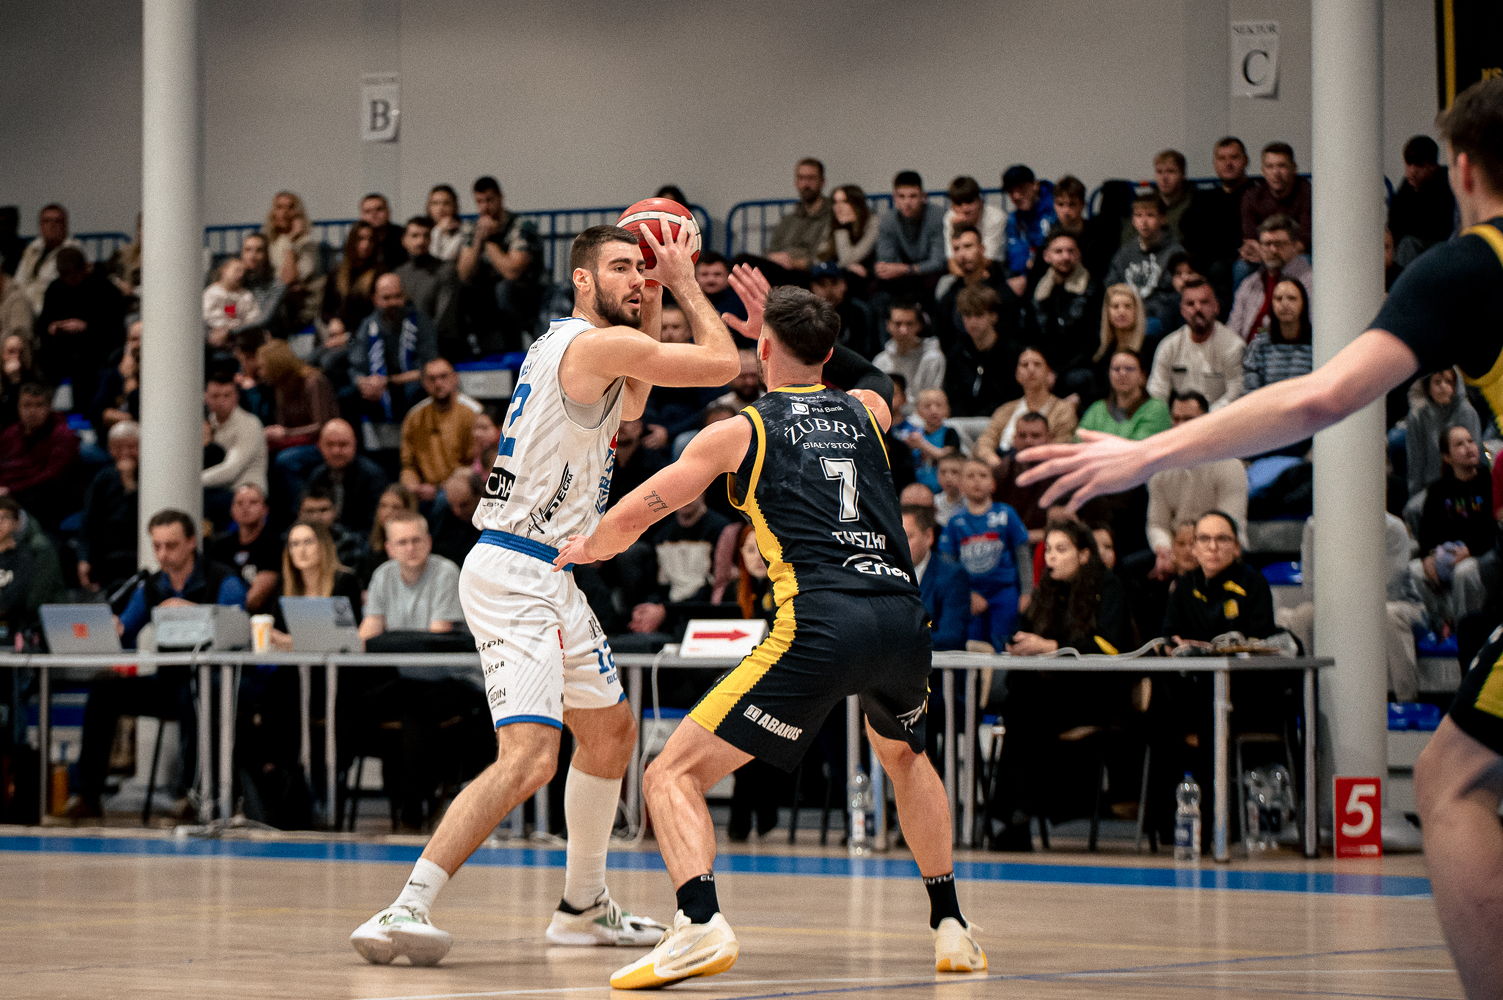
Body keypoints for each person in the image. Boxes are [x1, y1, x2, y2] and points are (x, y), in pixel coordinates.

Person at [1016, 80, 1503, 998]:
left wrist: (1145, 454)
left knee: (1450, 782)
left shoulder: (1472, 263)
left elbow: (1321, 397)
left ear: (1465, 169)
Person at [552, 283, 985, 987]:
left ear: (761, 349)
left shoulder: (740, 431)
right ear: (827, 352)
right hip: (901, 618)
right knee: (906, 758)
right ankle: (952, 926)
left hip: (823, 620)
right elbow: (876, 377)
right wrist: (812, 336)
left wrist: (588, 545)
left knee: (670, 774)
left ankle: (698, 923)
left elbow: (648, 505)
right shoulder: (867, 409)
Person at [350, 220, 737, 964]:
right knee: (530, 757)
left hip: (550, 570)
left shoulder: (591, 349)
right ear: (581, 280)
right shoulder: (588, 345)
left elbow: (635, 406)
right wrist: (684, 279)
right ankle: (406, 905)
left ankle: (582, 906)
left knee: (611, 732)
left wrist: (654, 291)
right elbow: (720, 364)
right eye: (620, 268)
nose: (635, 278)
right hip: (513, 571)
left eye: (639, 268)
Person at [69, 509, 248, 819]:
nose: (163, 554)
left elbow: (238, 631)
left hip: (213, 685)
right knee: (105, 687)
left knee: (194, 694)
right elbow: (127, 628)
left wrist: (193, 612)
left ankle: (195, 795)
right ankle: (88, 794)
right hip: (166, 682)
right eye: (157, 546)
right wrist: (114, 629)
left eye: (171, 545)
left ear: (191, 542)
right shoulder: (152, 586)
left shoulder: (223, 579)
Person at [991, 519, 1137, 847]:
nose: (1051, 558)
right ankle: (1020, 812)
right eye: (1048, 551)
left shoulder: (1108, 587)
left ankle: (1014, 813)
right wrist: (1018, 643)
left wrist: (1050, 647)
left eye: (1061, 550)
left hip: (1097, 693)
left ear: (1084, 555)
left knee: (1024, 710)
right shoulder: (1047, 590)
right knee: (1020, 703)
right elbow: (1027, 629)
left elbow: (1111, 647)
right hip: (1052, 693)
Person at [1145, 392, 1248, 577]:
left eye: (1188, 419)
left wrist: (1194, 551)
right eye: (1176, 419)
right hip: (1178, 550)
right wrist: (1165, 550)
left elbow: (1227, 525)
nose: (1181, 425)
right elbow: (1157, 523)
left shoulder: (1230, 465)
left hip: (1220, 549)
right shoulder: (1160, 468)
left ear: (1206, 420)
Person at [941, 458, 1031, 651]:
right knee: (973, 648)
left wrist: (1026, 592)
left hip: (1004, 593)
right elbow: (948, 564)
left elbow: (1023, 555)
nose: (977, 481)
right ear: (961, 485)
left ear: (993, 484)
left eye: (983, 475)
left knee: (1004, 646)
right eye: (970, 476)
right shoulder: (955, 521)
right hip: (970, 594)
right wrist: (966, 594)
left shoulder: (1006, 514)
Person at [1413, 425, 1497, 628]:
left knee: (1462, 573)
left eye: (1470, 441)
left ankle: (1464, 629)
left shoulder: (1490, 481)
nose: (1469, 447)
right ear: (1447, 457)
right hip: (1447, 554)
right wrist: (1427, 557)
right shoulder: (1438, 490)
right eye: (1459, 444)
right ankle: (1439, 624)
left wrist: (1469, 550)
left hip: (1480, 553)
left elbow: (1494, 528)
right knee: (1415, 571)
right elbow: (1426, 532)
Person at [349, 273, 440, 449]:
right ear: (375, 300)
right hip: (378, 387)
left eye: (397, 296)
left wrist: (389, 381)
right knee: (349, 395)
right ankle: (359, 452)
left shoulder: (421, 322)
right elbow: (356, 367)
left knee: (416, 391)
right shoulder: (368, 325)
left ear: (404, 297)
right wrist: (364, 383)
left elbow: (430, 368)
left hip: (408, 385)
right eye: (386, 298)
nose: (393, 302)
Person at [456, 175, 543, 354]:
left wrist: (489, 242)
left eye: (489, 200)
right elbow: (464, 274)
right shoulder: (473, 229)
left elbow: (512, 272)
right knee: (462, 290)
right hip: (488, 290)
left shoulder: (521, 225)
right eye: (479, 202)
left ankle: (513, 353)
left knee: (504, 289)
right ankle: (469, 354)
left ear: (500, 198)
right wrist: (479, 239)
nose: (485, 207)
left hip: (526, 291)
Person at [35, 246, 126, 407]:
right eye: (64, 275)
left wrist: (86, 327)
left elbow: (114, 327)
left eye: (73, 275)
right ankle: (45, 408)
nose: (69, 280)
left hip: (96, 345)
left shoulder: (104, 288)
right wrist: (52, 327)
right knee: (40, 358)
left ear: (83, 269)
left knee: (82, 362)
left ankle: (83, 410)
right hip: (60, 346)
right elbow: (44, 323)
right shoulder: (55, 289)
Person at [1148, 277, 1245, 410]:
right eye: (1190, 304)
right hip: (1179, 417)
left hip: (1220, 418)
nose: (1198, 308)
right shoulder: (1168, 346)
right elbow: (1157, 393)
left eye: (1204, 302)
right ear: (1182, 310)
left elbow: (1236, 395)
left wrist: (1204, 418)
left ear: (1216, 307)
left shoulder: (1234, 346)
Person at [1028, 230, 1101, 400]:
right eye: (1058, 251)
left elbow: (1092, 342)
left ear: (1079, 255)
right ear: (1046, 256)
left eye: (1070, 251)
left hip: (1080, 367)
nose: (1065, 257)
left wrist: (1058, 373)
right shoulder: (1037, 292)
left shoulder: (1093, 290)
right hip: (1045, 367)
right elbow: (1031, 336)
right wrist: (1044, 368)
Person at [268, 520, 364, 650]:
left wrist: (294, 642)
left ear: (323, 546)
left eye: (308, 542)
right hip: (292, 661)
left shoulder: (345, 581)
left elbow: (348, 637)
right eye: (295, 544)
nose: (301, 550)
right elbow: (277, 633)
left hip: (336, 660)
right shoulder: (284, 584)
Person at [0, 381, 79, 531]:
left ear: (49, 407)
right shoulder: (9, 434)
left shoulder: (63, 435)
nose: (32, 411)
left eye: (38, 405)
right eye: (27, 405)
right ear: (18, 407)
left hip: (47, 498)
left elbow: (51, 477)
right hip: (9, 494)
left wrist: (10, 489)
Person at [399, 358, 481, 502]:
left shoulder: (473, 413)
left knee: (443, 501)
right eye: (431, 379)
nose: (438, 383)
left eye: (443, 377)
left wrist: (440, 489)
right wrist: (412, 485)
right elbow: (408, 465)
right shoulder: (414, 417)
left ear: (455, 378)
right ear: (424, 383)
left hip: (462, 488)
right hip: (423, 489)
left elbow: (477, 466)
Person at [977, 348, 1078, 464]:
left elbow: (1062, 445)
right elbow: (985, 440)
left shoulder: (1063, 409)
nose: (1031, 369)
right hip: (1002, 467)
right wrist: (998, 465)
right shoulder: (1005, 410)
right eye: (1025, 365)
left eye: (1037, 364)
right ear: (1017, 375)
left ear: (1049, 373)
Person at [1105, 193, 1184, 335]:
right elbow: (1112, 287)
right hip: (1126, 313)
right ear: (1133, 220)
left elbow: (1173, 296)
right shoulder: (1125, 253)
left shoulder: (1174, 253)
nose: (1144, 221)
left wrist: (1139, 312)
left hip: (1157, 318)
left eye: (1150, 215)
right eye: (1138, 215)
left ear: (1162, 218)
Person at [1227, 214, 1315, 342]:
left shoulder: (1310, 281)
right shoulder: (1249, 283)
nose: (1273, 250)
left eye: (1279, 244)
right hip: (1248, 351)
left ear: (1295, 246)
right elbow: (1232, 331)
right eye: (1267, 244)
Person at [932, 223, 1017, 354]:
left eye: (968, 246)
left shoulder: (1002, 292)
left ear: (981, 249)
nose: (962, 254)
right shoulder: (949, 296)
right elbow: (943, 336)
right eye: (956, 249)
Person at [76, 420, 140, 594]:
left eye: (131, 447)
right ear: (111, 450)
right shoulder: (102, 478)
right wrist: (84, 559)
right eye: (118, 448)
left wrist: (129, 486)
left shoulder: (151, 476)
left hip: (138, 552)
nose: (125, 453)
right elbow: (88, 523)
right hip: (107, 554)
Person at [944, 284, 1023, 418]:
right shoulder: (957, 353)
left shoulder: (1012, 353)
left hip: (1000, 419)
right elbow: (952, 395)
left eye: (979, 315)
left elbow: (1011, 396)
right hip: (963, 421)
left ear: (993, 316)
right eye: (967, 315)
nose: (973, 322)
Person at [305, 418, 390, 535]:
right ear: (319, 446)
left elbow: (375, 526)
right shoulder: (316, 476)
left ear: (355, 444)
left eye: (343, 445)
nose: (336, 451)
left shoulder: (373, 475)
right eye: (330, 445)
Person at [207, 484, 282, 614]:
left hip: (260, 618)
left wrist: (227, 614)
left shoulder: (274, 544)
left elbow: (257, 598)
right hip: (223, 616)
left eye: (253, 502)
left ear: (265, 509)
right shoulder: (220, 546)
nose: (245, 507)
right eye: (239, 503)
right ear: (231, 510)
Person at [904, 504, 970, 653]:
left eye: (907, 537)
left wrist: (901, 643)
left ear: (928, 537)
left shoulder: (952, 576)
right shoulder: (883, 573)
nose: (899, 544)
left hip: (935, 665)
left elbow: (952, 637)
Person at [1409, 369, 1481, 499]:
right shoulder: (1418, 417)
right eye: (1437, 382)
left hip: (1465, 485)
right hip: (1431, 487)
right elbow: (1416, 463)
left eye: (1449, 382)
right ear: (1428, 387)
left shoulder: (1468, 412)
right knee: (1413, 507)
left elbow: (1476, 459)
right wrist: (1414, 495)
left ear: (1456, 386)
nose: (1443, 386)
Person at [875, 170, 947, 299]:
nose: (907, 202)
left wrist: (907, 269)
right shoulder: (888, 220)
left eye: (913, 196)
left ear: (923, 197)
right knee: (877, 287)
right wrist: (885, 268)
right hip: (903, 275)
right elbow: (885, 259)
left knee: (934, 282)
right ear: (894, 198)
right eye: (901, 196)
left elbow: (937, 262)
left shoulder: (937, 216)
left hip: (930, 275)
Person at [257, 339, 337, 453]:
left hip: (320, 442)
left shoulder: (313, 382)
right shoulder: (280, 387)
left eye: (262, 367)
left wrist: (287, 433)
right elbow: (283, 424)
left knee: (285, 458)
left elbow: (321, 425)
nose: (260, 373)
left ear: (275, 367)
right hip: (296, 440)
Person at [1389, 135, 1457, 267]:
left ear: (1433, 166)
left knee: (1408, 245)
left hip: (1438, 248)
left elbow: (1436, 228)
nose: (1412, 171)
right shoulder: (1407, 187)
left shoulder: (1445, 185)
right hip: (1414, 249)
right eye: (1409, 164)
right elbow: (1395, 222)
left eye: (1419, 166)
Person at [394, 215, 459, 349]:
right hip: (404, 343)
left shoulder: (445, 271)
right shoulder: (398, 274)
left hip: (439, 344)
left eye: (426, 236)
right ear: (404, 240)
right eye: (415, 236)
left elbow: (444, 320)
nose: (421, 241)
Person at [202, 372, 269, 499]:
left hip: (245, 490)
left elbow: (231, 470)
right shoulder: (207, 424)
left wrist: (192, 481)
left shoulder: (249, 423)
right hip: (216, 487)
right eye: (215, 396)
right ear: (206, 398)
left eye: (227, 395)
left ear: (236, 397)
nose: (221, 401)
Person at [992, 413, 1056, 543]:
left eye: (1035, 436)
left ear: (1049, 438)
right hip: (1005, 543)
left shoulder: (1060, 472)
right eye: (1022, 436)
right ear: (1014, 439)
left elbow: (1063, 528)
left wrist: (1021, 537)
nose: (1028, 441)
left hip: (1047, 544)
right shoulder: (1000, 471)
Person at [1078, 349, 1170, 440]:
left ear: (1142, 376)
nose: (1122, 373)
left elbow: (1140, 446)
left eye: (1129, 369)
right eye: (1116, 369)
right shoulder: (1097, 409)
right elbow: (1079, 442)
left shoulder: (1156, 408)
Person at [263, 191, 323, 329]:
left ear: (298, 213)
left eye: (290, 207)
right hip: (271, 299)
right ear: (273, 212)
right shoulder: (268, 242)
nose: (284, 212)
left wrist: (292, 242)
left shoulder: (307, 244)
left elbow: (288, 279)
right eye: (279, 207)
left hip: (299, 303)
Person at [1242, 278, 1314, 392]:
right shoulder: (1259, 345)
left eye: (1292, 298)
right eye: (1278, 299)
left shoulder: (1316, 345)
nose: (1284, 304)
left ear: (1303, 303)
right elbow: (1251, 392)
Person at [1241, 142, 1314, 253]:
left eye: (1282, 166)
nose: (1276, 173)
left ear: (1294, 168)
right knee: (1242, 263)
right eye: (1270, 167)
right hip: (1264, 253)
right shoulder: (1252, 196)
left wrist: (1281, 254)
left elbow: (1306, 237)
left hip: (1298, 253)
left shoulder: (1308, 193)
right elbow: (1250, 237)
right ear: (1263, 171)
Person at [763, 157, 831, 275]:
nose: (806, 184)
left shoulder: (831, 217)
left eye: (811, 178)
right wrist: (773, 258)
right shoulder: (788, 220)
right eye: (801, 178)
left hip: (809, 273)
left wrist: (794, 262)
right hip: (779, 269)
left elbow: (823, 257)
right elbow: (772, 251)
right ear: (796, 182)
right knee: (742, 262)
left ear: (822, 182)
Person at [320, 221, 383, 348]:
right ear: (352, 241)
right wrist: (332, 320)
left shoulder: (380, 275)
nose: (365, 245)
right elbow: (325, 309)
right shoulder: (337, 273)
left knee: (329, 359)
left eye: (370, 240)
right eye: (360, 239)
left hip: (363, 339)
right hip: (336, 334)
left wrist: (349, 336)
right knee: (313, 357)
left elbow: (378, 318)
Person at [1092, 284, 1156, 400]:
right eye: (1115, 307)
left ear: (1136, 310)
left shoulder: (1151, 346)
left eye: (1127, 306)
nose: (1121, 312)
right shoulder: (1101, 352)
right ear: (1108, 312)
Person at [873, 300, 945, 402]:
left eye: (909, 324)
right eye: (898, 324)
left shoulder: (932, 359)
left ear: (919, 326)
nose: (904, 330)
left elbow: (932, 401)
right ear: (888, 325)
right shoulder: (880, 361)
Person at [15, 204, 81, 313]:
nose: (52, 225)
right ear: (40, 226)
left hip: (50, 310)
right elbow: (18, 282)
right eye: (47, 221)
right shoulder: (32, 249)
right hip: (22, 308)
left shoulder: (72, 252)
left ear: (65, 226)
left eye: (57, 221)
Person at [1001, 165, 1057, 290]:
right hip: (1027, 276)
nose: (1016, 196)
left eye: (1021, 188)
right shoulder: (1014, 219)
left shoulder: (1057, 207)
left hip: (1056, 271)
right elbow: (1016, 255)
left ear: (1035, 185)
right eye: (1011, 192)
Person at [808, 261, 878, 359]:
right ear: (812, 287)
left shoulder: (859, 312)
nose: (829, 290)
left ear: (844, 284)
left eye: (834, 282)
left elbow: (865, 353)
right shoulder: (805, 314)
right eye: (822, 284)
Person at [898, 388, 960, 492]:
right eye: (927, 406)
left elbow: (947, 456)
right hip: (917, 487)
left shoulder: (950, 433)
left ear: (947, 409)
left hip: (943, 489)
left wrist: (922, 444)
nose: (933, 410)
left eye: (938, 405)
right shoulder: (914, 433)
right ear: (918, 411)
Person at [297, 486, 368, 569]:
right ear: (300, 514)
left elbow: (347, 575)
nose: (317, 517)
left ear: (335, 511)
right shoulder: (287, 541)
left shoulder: (349, 542)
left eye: (323, 510)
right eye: (310, 511)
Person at [360, 483, 417, 586]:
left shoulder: (415, 545)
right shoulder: (371, 546)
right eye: (383, 506)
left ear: (408, 511)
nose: (387, 512)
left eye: (396, 507)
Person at [236, 233, 287, 338]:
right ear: (241, 254)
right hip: (230, 336)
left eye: (259, 251)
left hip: (262, 336)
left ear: (266, 255)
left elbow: (262, 319)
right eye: (248, 250)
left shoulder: (277, 285)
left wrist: (229, 331)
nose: (253, 256)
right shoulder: (233, 282)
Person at [943, 175, 1004, 262]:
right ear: (953, 207)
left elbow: (988, 260)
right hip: (963, 267)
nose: (964, 208)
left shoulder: (995, 217)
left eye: (969, 201)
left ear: (981, 202)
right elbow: (951, 259)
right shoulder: (950, 217)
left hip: (994, 267)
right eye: (958, 203)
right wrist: (957, 228)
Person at [430, 468, 483, 567]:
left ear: (479, 496)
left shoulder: (490, 523)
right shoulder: (442, 514)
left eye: (464, 505)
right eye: (452, 505)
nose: (457, 512)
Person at [202, 258, 259, 348]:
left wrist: (233, 330)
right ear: (224, 269)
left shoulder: (247, 296)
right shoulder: (211, 293)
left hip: (241, 340)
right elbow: (206, 317)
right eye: (237, 270)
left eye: (243, 272)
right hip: (214, 341)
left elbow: (253, 318)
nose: (241, 275)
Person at [824, 183, 878, 277]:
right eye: (835, 202)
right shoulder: (833, 222)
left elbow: (850, 258)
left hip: (869, 276)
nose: (838, 207)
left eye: (844, 202)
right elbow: (818, 257)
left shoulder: (873, 223)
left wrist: (842, 228)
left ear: (857, 204)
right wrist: (846, 266)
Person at [1152, 149, 1195, 243]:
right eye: (1159, 172)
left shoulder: (1195, 206)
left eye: (1170, 171)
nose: (1164, 178)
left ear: (1183, 174)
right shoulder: (1148, 204)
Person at [360, 193, 408, 270]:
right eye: (368, 211)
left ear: (388, 212)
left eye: (379, 209)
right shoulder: (356, 239)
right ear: (362, 216)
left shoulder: (403, 235)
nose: (374, 214)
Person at [425, 184, 471, 263]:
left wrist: (439, 231)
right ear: (429, 207)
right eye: (435, 203)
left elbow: (446, 260)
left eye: (446, 203)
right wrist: (438, 230)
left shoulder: (463, 230)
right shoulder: (424, 231)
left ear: (454, 206)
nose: (440, 208)